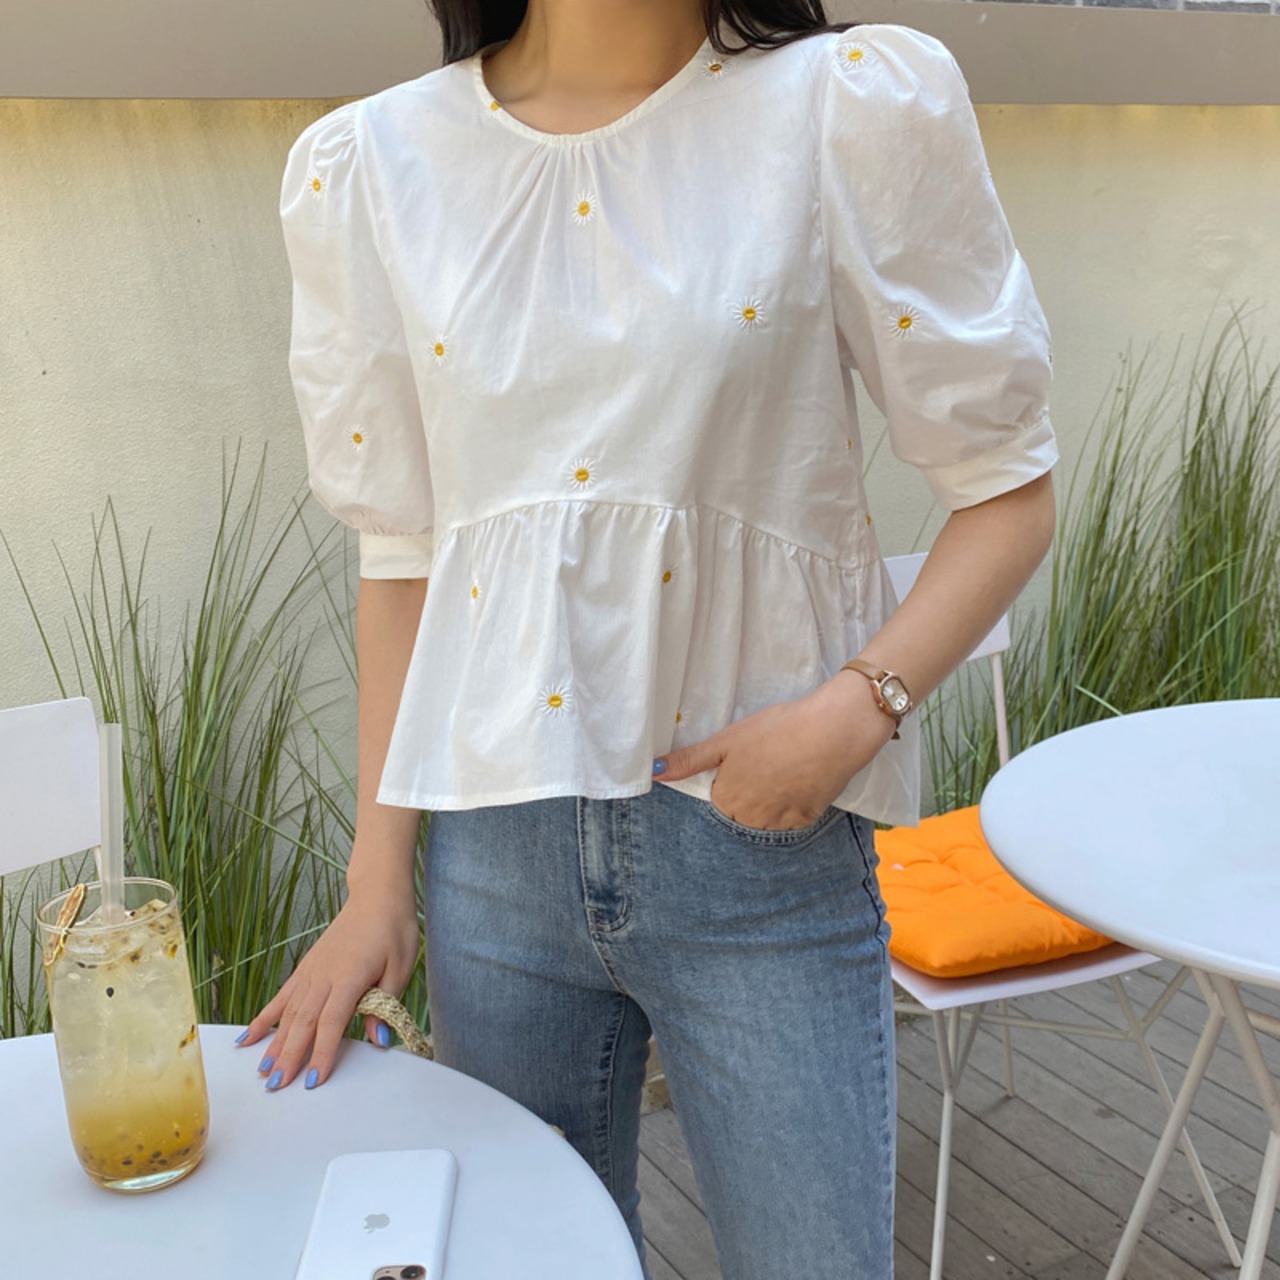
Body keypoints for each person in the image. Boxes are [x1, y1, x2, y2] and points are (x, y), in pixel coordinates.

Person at [240, 1, 1058, 1276]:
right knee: (528, 1263)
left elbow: (1005, 486)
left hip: (760, 852)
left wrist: (855, 709)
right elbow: (403, 560)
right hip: (492, 864)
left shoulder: (836, 108)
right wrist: (374, 880)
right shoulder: (377, 163)